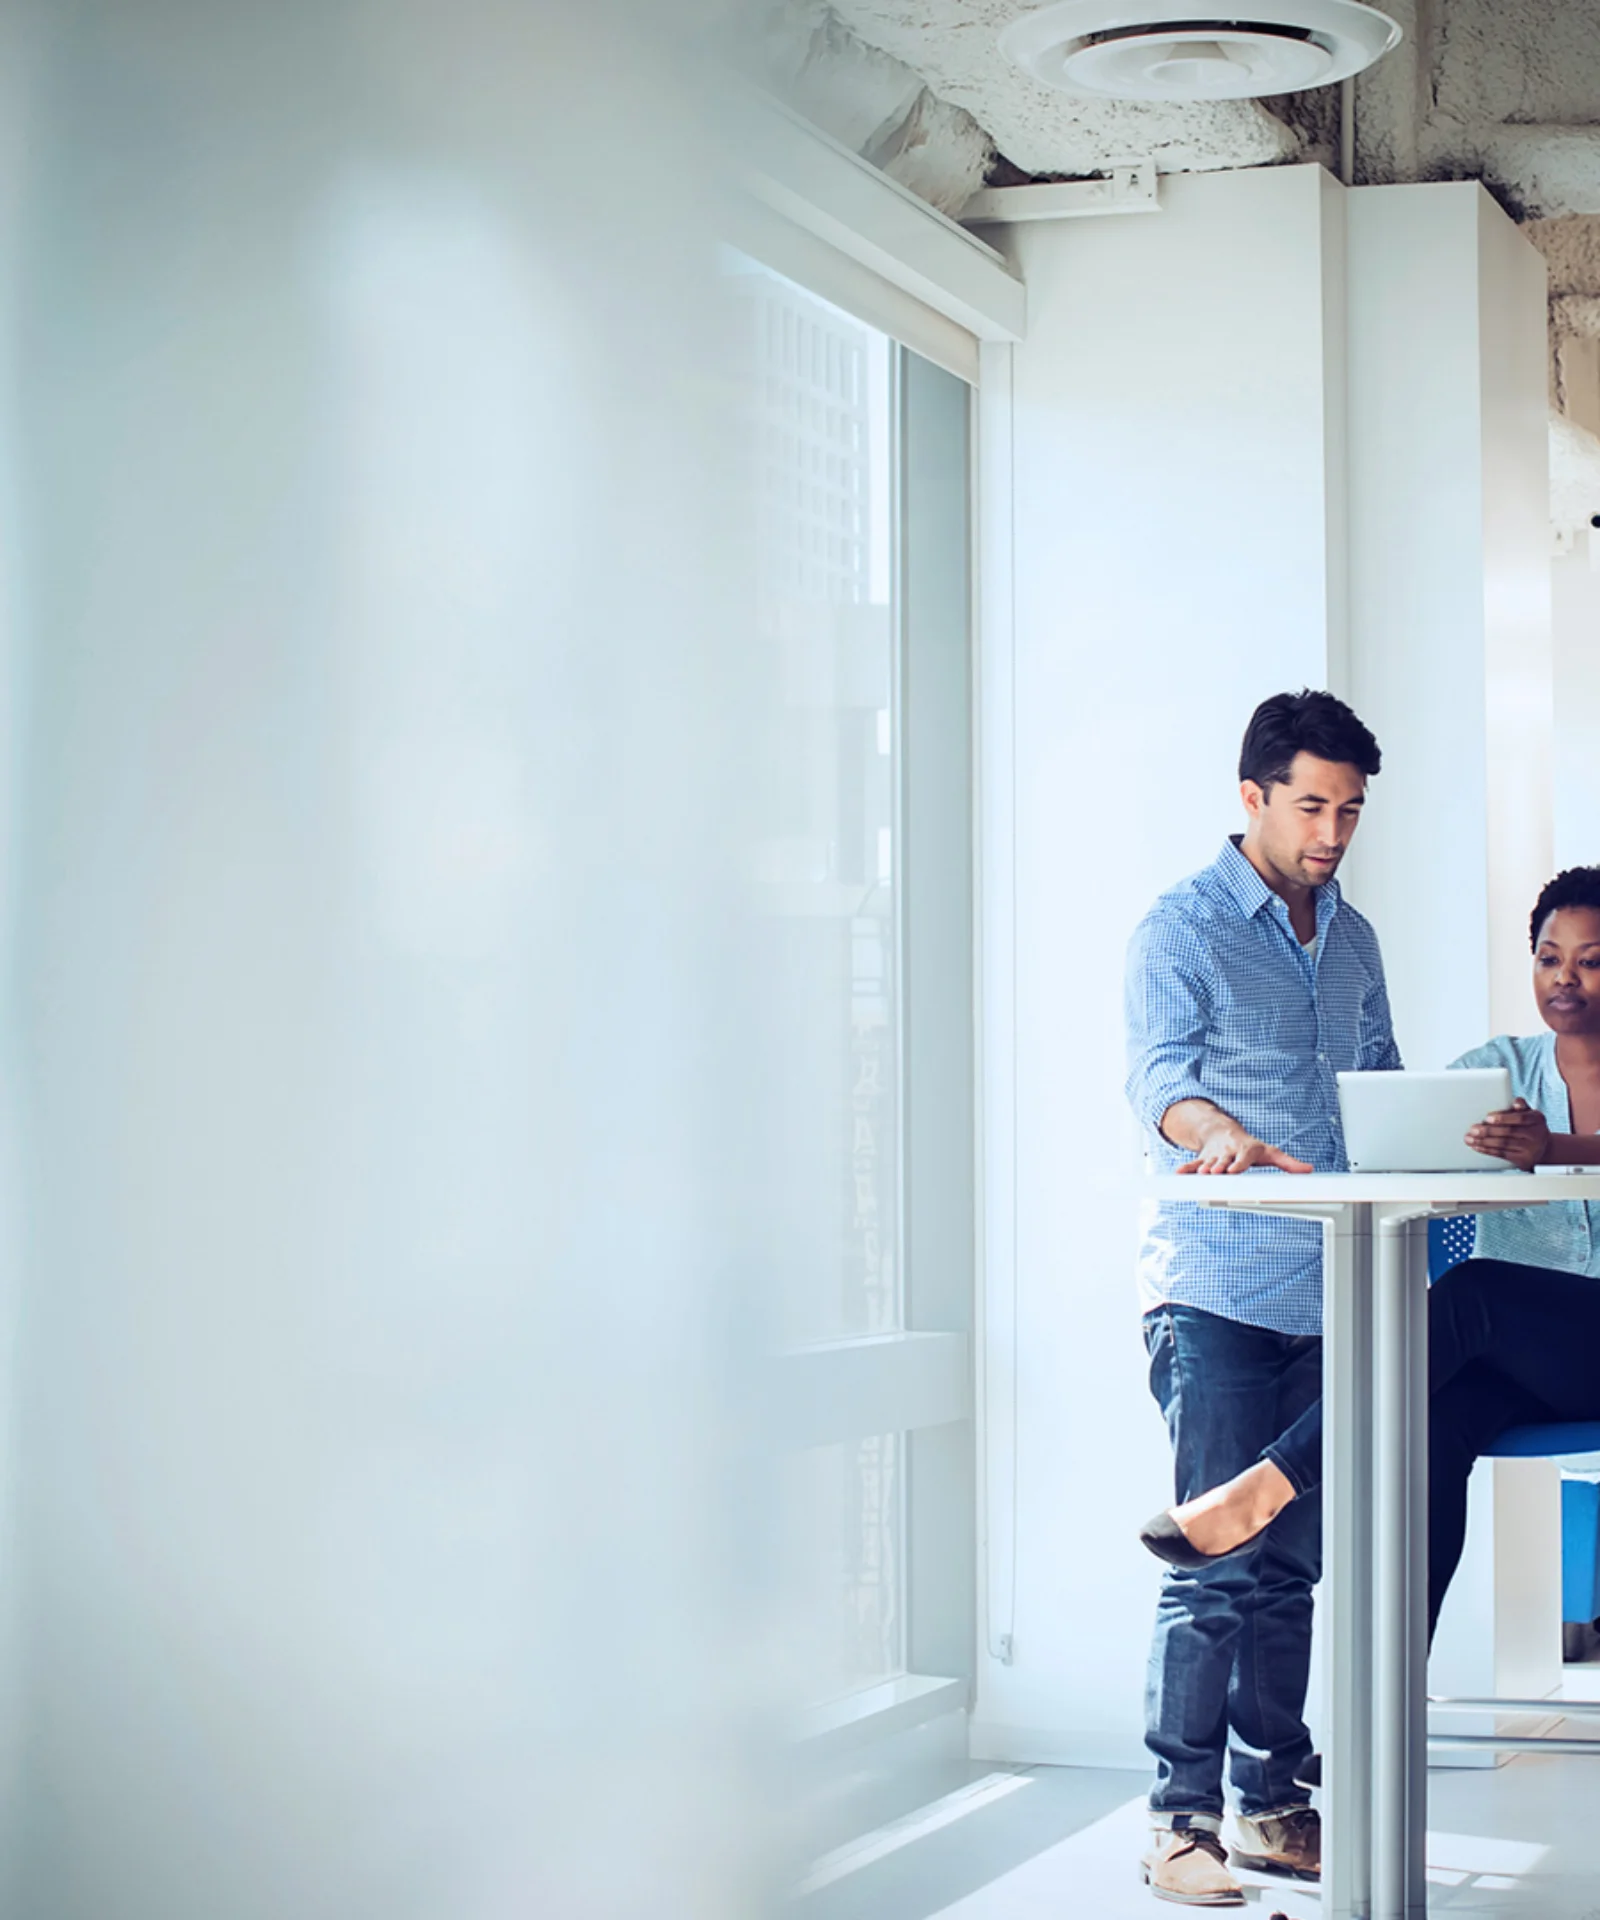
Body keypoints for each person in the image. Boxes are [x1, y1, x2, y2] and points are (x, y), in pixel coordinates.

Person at [1139, 865, 1600, 1644]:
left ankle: (1268, 1483)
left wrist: (1553, 1149)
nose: (1565, 979)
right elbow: (1393, 1141)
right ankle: (1390, 1719)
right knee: (1434, 1418)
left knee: (1476, 1291)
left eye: (1591, 960)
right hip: (1535, 1368)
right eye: (1549, 958)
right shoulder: (1501, 1072)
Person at [1125, 689, 1398, 1909]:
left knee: (1290, 1565)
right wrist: (1217, 1131)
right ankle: (1178, 1823)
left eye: (1348, 810)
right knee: (1211, 1567)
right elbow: (1158, 1082)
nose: (1331, 832)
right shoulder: (1179, 927)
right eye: (1310, 806)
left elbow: (1383, 1088)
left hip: (1331, 1286)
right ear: (1252, 798)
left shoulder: (1355, 941)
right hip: (1219, 1287)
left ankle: (1275, 1806)